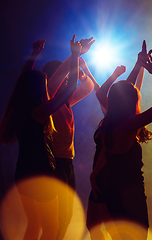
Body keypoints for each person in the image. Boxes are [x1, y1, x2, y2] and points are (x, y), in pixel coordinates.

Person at [0, 36, 81, 240]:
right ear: (38, 89)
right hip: (41, 175)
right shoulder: (40, 112)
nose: (48, 87)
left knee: (34, 226)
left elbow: (23, 78)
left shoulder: (20, 109)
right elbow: (70, 89)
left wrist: (34, 54)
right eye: (45, 84)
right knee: (51, 228)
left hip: (23, 173)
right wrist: (75, 56)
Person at [90, 44, 152, 240]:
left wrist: (93, 176)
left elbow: (105, 153)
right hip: (129, 191)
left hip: (107, 184)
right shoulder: (129, 124)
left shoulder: (109, 122)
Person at [86, 41, 148, 240]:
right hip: (100, 172)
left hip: (106, 174)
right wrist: (136, 66)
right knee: (93, 225)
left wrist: (121, 73)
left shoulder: (125, 122)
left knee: (109, 230)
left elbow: (120, 92)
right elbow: (120, 92)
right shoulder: (112, 116)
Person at [41, 36, 95, 240]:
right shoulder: (47, 98)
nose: (66, 82)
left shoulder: (66, 102)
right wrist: (75, 56)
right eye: (64, 79)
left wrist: (81, 69)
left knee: (65, 217)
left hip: (66, 162)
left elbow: (88, 87)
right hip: (52, 163)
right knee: (54, 221)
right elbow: (57, 79)